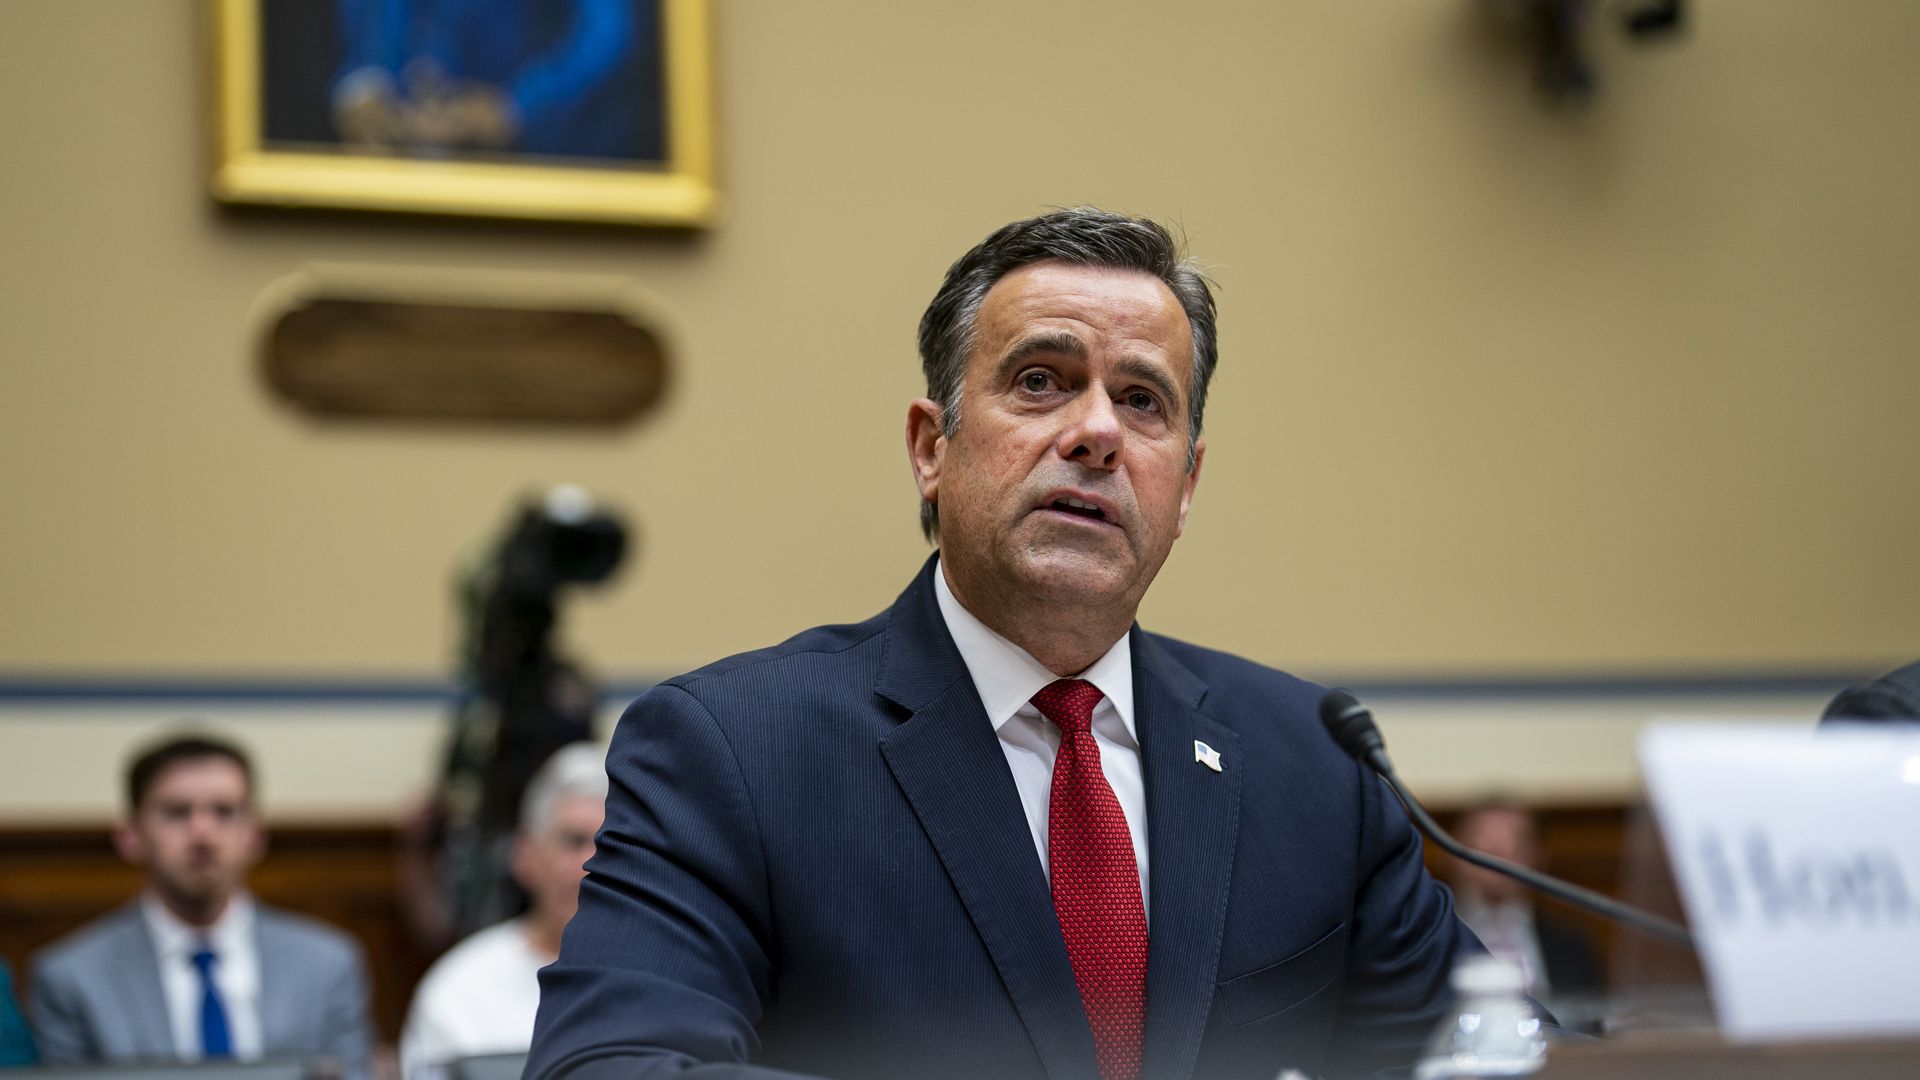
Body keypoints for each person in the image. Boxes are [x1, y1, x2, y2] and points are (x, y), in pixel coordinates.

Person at [527, 208, 1476, 1080]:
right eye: (1040, 382)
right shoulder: (732, 750)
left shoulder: (1314, 758)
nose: (1098, 432)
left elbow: (1491, 1052)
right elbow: (609, 1068)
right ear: (931, 449)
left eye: (1144, 401)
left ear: (1185, 485)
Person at [28, 733, 374, 1076]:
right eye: (177, 813)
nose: (203, 834)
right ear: (130, 835)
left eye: (224, 812)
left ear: (255, 834)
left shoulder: (326, 964)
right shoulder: (72, 978)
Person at [401, 742, 608, 1078]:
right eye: (574, 841)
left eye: (611, 844)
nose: (592, 864)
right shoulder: (460, 989)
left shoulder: (675, 979)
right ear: (525, 855)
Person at [1448, 803, 1604, 1022]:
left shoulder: (1574, 947)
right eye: (1482, 845)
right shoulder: (1430, 940)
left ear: (1537, 857)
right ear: (1454, 854)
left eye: (1515, 844)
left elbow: (1592, 1024)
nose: (1498, 854)